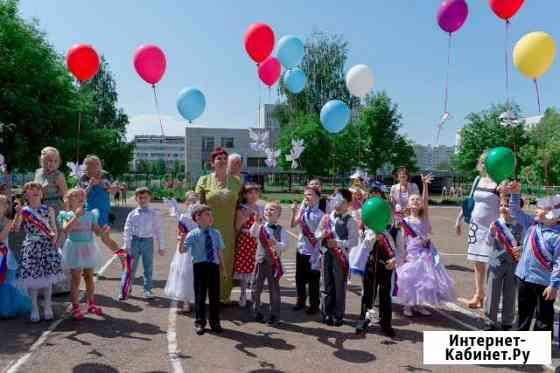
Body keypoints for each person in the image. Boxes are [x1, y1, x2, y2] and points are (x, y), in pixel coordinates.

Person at [396, 174, 456, 317]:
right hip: (411, 252)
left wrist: (425, 185)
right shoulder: (405, 220)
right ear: (408, 204)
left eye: (418, 199)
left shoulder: (424, 217)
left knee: (423, 278)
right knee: (410, 278)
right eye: (412, 199)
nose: (416, 201)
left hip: (425, 252)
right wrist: (403, 254)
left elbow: (426, 203)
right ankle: (408, 305)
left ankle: (419, 304)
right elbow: (402, 238)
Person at [58, 188, 121, 320]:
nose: (81, 197)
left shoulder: (91, 214)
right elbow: (65, 230)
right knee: (75, 279)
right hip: (74, 249)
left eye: (82, 195)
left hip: (88, 248)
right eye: (76, 196)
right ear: (69, 200)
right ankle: (76, 307)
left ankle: (91, 303)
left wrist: (104, 231)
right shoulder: (66, 215)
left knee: (89, 277)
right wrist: (76, 216)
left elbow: (97, 231)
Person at [507, 181, 560, 333]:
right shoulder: (532, 224)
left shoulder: (557, 236)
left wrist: (554, 285)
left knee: (543, 319)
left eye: (541, 208)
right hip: (524, 277)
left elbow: (558, 263)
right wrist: (515, 193)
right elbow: (515, 211)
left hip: (544, 283)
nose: (536, 209)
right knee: (523, 315)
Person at [13, 182, 64, 322]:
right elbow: (16, 229)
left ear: (42, 194)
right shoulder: (24, 211)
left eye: (37, 191)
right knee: (32, 280)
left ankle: (48, 306)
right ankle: (34, 307)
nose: (35, 194)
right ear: (26, 195)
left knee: (47, 279)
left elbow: (54, 228)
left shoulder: (49, 210)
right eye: (31, 192)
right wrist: (18, 214)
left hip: (46, 246)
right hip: (31, 247)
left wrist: (54, 239)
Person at [195, 147, 241, 304]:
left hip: (229, 230)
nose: (222, 161)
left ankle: (224, 296)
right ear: (212, 163)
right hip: (208, 230)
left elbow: (240, 205)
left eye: (224, 159)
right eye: (218, 159)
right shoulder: (204, 180)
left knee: (226, 261)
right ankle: (208, 296)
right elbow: (197, 206)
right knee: (208, 262)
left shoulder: (236, 182)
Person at [455, 153, 500, 309]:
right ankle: (478, 295)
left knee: (493, 263)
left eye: (486, 161)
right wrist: (459, 219)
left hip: (492, 229)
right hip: (475, 226)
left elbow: (505, 206)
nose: (483, 164)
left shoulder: (500, 181)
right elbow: (469, 202)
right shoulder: (477, 180)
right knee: (477, 263)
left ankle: (491, 297)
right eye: (481, 161)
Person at [316, 189, 358, 326]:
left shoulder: (350, 220)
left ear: (348, 204)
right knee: (326, 284)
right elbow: (316, 233)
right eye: (335, 200)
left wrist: (338, 243)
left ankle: (338, 314)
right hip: (327, 254)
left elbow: (354, 241)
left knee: (339, 286)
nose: (337, 203)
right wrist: (321, 234)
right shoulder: (327, 217)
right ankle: (326, 312)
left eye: (341, 201)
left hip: (341, 257)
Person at [483, 193, 523, 331]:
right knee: (492, 292)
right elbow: (488, 242)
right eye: (501, 205)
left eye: (507, 205)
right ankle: (490, 321)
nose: (504, 208)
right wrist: (491, 233)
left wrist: (520, 249)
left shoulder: (518, 225)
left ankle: (507, 321)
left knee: (510, 293)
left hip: (512, 263)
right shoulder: (495, 224)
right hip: (496, 262)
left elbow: (521, 244)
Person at [185, 204, 225, 335]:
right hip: (199, 267)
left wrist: (223, 269)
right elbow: (183, 250)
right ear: (198, 218)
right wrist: (181, 240)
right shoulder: (192, 234)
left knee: (214, 296)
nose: (211, 217)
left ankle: (215, 322)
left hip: (213, 266)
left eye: (211, 214)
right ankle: (199, 322)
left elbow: (219, 252)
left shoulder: (216, 233)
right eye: (207, 214)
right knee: (200, 295)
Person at [121, 187, 165, 300]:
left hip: (148, 241)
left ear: (150, 198)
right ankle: (126, 290)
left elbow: (159, 230)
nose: (143, 200)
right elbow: (127, 229)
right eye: (140, 198)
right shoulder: (132, 214)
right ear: (136, 199)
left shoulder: (154, 214)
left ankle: (148, 290)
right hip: (134, 241)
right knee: (130, 267)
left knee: (148, 267)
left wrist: (161, 246)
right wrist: (127, 244)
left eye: (145, 197)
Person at [354, 227, 397, 337]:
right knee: (368, 294)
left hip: (387, 268)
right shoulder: (370, 230)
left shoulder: (395, 230)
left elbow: (402, 250)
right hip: (370, 267)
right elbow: (364, 247)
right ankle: (364, 320)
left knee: (385, 296)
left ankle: (385, 323)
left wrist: (394, 260)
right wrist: (373, 238)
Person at [250, 201, 288, 325]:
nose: (268, 211)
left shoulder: (281, 230)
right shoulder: (260, 227)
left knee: (274, 290)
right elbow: (252, 233)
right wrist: (256, 222)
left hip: (273, 264)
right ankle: (257, 311)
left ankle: (274, 314)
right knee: (256, 288)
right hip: (260, 261)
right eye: (266, 209)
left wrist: (275, 244)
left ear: (278, 214)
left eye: (272, 209)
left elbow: (284, 246)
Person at [290, 186, 324, 314]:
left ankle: (314, 305)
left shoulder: (321, 215)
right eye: (305, 195)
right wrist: (294, 211)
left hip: (314, 252)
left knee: (313, 280)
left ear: (317, 197)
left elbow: (322, 234)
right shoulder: (303, 211)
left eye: (309, 194)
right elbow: (293, 224)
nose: (306, 197)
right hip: (301, 249)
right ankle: (301, 301)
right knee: (299, 278)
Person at [165, 191, 199, 312]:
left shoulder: (202, 216)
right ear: (186, 203)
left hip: (198, 249)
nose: (193, 203)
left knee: (197, 274)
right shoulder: (183, 217)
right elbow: (180, 232)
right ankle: (186, 302)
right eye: (190, 201)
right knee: (184, 273)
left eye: (195, 201)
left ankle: (197, 299)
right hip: (186, 250)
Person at [0, 195, 31, 318]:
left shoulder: (7, 221)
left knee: (7, 281)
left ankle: (6, 308)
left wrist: (18, 214)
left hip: (4, 256)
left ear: (5, 207)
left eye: (1, 204)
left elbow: (2, 237)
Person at [233, 183, 262, 307]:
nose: (253, 195)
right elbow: (237, 227)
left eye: (255, 192)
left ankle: (254, 295)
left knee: (256, 270)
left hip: (258, 241)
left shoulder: (260, 208)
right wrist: (245, 217)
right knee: (244, 271)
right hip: (245, 241)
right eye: (250, 192)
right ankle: (243, 294)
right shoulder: (242, 208)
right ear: (244, 195)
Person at [79, 155, 116, 228]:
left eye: (97, 165)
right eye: (91, 166)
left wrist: (102, 184)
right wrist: (90, 185)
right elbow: (82, 195)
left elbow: (112, 192)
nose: (95, 168)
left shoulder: (106, 176)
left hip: (104, 210)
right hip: (90, 210)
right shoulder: (83, 178)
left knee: (104, 231)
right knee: (90, 230)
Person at [34, 147, 67, 217]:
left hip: (55, 208)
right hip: (39, 206)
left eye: (55, 161)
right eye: (50, 160)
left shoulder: (58, 175)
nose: (52, 163)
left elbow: (65, 195)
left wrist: (67, 212)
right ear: (42, 160)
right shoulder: (38, 172)